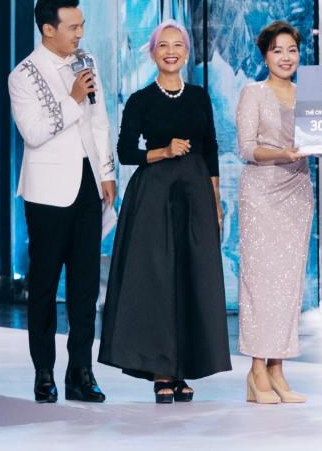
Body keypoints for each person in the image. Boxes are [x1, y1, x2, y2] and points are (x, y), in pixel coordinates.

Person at [98, 20, 231, 403]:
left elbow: (210, 146)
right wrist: (163, 151)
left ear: (186, 53)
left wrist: (215, 200)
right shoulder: (141, 100)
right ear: (154, 53)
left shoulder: (199, 96)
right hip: (154, 196)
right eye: (163, 46)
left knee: (191, 278)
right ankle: (160, 369)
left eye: (177, 45)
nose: (171, 52)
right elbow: (125, 152)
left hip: (195, 194)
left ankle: (181, 368)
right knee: (157, 281)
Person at [8, 0, 114, 403]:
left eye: (82, 25)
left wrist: (106, 172)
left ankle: (81, 372)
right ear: (48, 29)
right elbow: (33, 133)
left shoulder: (87, 62)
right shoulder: (24, 74)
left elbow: (99, 120)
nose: (79, 34)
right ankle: (43, 372)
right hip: (47, 192)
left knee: (86, 286)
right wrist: (71, 100)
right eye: (72, 27)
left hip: (88, 184)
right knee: (45, 285)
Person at [237, 21, 313, 405]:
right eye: (277, 51)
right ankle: (256, 371)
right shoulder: (253, 93)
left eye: (292, 50)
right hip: (261, 194)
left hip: (297, 192)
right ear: (265, 57)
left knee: (288, 284)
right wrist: (282, 153)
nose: (286, 57)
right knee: (260, 283)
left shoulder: (308, 94)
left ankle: (277, 370)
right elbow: (246, 148)